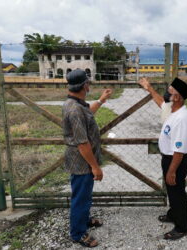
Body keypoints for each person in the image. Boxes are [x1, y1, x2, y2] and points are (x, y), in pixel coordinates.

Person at [62, 68, 112, 247]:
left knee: (84, 195)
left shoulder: (76, 103)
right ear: (85, 85)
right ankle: (78, 233)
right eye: (88, 82)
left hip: (82, 161)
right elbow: (82, 143)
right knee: (81, 197)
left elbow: (88, 112)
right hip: (81, 162)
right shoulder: (75, 109)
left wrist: (101, 100)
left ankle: (83, 220)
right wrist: (95, 167)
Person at [139, 77, 187, 240]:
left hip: (175, 161)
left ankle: (182, 226)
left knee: (177, 193)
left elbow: (179, 150)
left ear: (177, 97)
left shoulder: (182, 118)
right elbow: (160, 102)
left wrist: (171, 171)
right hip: (169, 158)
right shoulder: (172, 108)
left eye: (169, 92)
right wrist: (149, 88)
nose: (166, 94)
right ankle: (172, 214)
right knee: (172, 190)